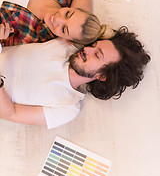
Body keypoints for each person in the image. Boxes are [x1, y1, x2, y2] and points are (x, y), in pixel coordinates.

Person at [0, 27, 150, 129]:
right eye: (94, 45)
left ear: (103, 76)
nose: (88, 49)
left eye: (97, 55)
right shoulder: (65, 45)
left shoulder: (67, 107)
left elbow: (10, 113)